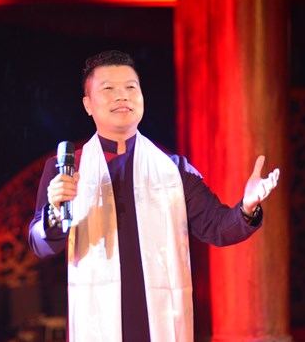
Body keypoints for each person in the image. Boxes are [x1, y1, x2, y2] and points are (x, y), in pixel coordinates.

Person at [28, 50, 280, 342]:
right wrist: (55, 210)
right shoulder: (66, 169)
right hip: (96, 317)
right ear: (88, 104)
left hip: (160, 321)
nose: (122, 96)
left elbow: (217, 227)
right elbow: (39, 244)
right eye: (108, 89)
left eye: (130, 87)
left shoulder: (173, 169)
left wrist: (247, 206)